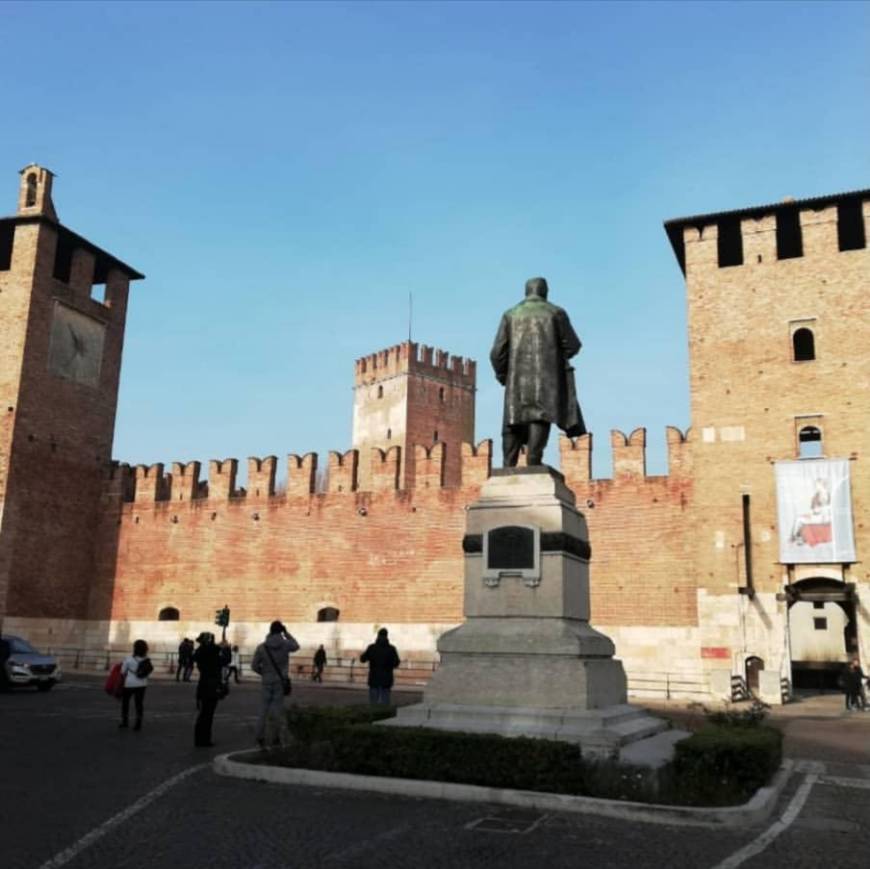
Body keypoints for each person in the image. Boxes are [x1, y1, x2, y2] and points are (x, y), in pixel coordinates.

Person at [490, 277, 585, 467]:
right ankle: (534, 460)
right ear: (545, 292)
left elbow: (496, 353)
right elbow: (573, 345)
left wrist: (503, 376)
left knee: (512, 420)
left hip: (515, 381)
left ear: (527, 292)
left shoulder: (510, 315)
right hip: (547, 380)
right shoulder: (556, 313)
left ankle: (508, 465)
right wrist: (555, 355)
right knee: (540, 416)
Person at [251, 621, 300, 748]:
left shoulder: (262, 647)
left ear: (270, 630)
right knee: (277, 710)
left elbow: (254, 666)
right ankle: (275, 736)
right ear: (280, 631)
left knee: (263, 709)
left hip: (267, 680)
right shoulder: (285, 644)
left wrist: (264, 673)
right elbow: (296, 646)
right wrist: (286, 633)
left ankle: (259, 736)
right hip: (280, 680)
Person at [193, 632, 222, 747]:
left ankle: (199, 739)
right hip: (211, 685)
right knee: (208, 714)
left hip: (203, 685)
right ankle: (204, 740)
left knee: (203, 714)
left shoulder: (200, 652)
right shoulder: (212, 652)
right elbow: (225, 659)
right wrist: (225, 648)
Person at [360, 628, 400, 705]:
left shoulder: (372, 648)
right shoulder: (391, 649)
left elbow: (362, 659)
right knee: (385, 702)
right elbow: (396, 663)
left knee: (373, 703)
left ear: (378, 636)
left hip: (374, 678)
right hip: (386, 679)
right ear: (387, 636)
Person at [120, 639, 151, 731]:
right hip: (142, 684)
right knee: (139, 704)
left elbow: (122, 671)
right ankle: (138, 723)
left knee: (125, 703)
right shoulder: (147, 660)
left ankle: (125, 721)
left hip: (129, 684)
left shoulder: (128, 659)